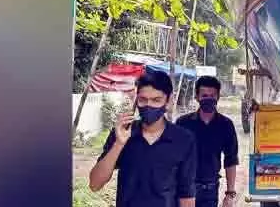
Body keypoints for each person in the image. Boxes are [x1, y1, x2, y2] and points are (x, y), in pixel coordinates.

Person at [89, 70, 197, 207]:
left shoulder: (184, 139)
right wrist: (119, 144)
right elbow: (95, 184)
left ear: (169, 101)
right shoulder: (123, 134)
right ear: (136, 100)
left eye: (156, 100)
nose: (148, 105)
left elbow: (186, 194)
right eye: (143, 99)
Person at [176, 76, 239, 207]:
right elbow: (173, 158)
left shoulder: (226, 125)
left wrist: (230, 194)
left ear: (218, 97)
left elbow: (231, 160)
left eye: (212, 95)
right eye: (204, 95)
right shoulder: (183, 123)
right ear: (197, 97)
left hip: (209, 191)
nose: (208, 99)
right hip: (183, 189)